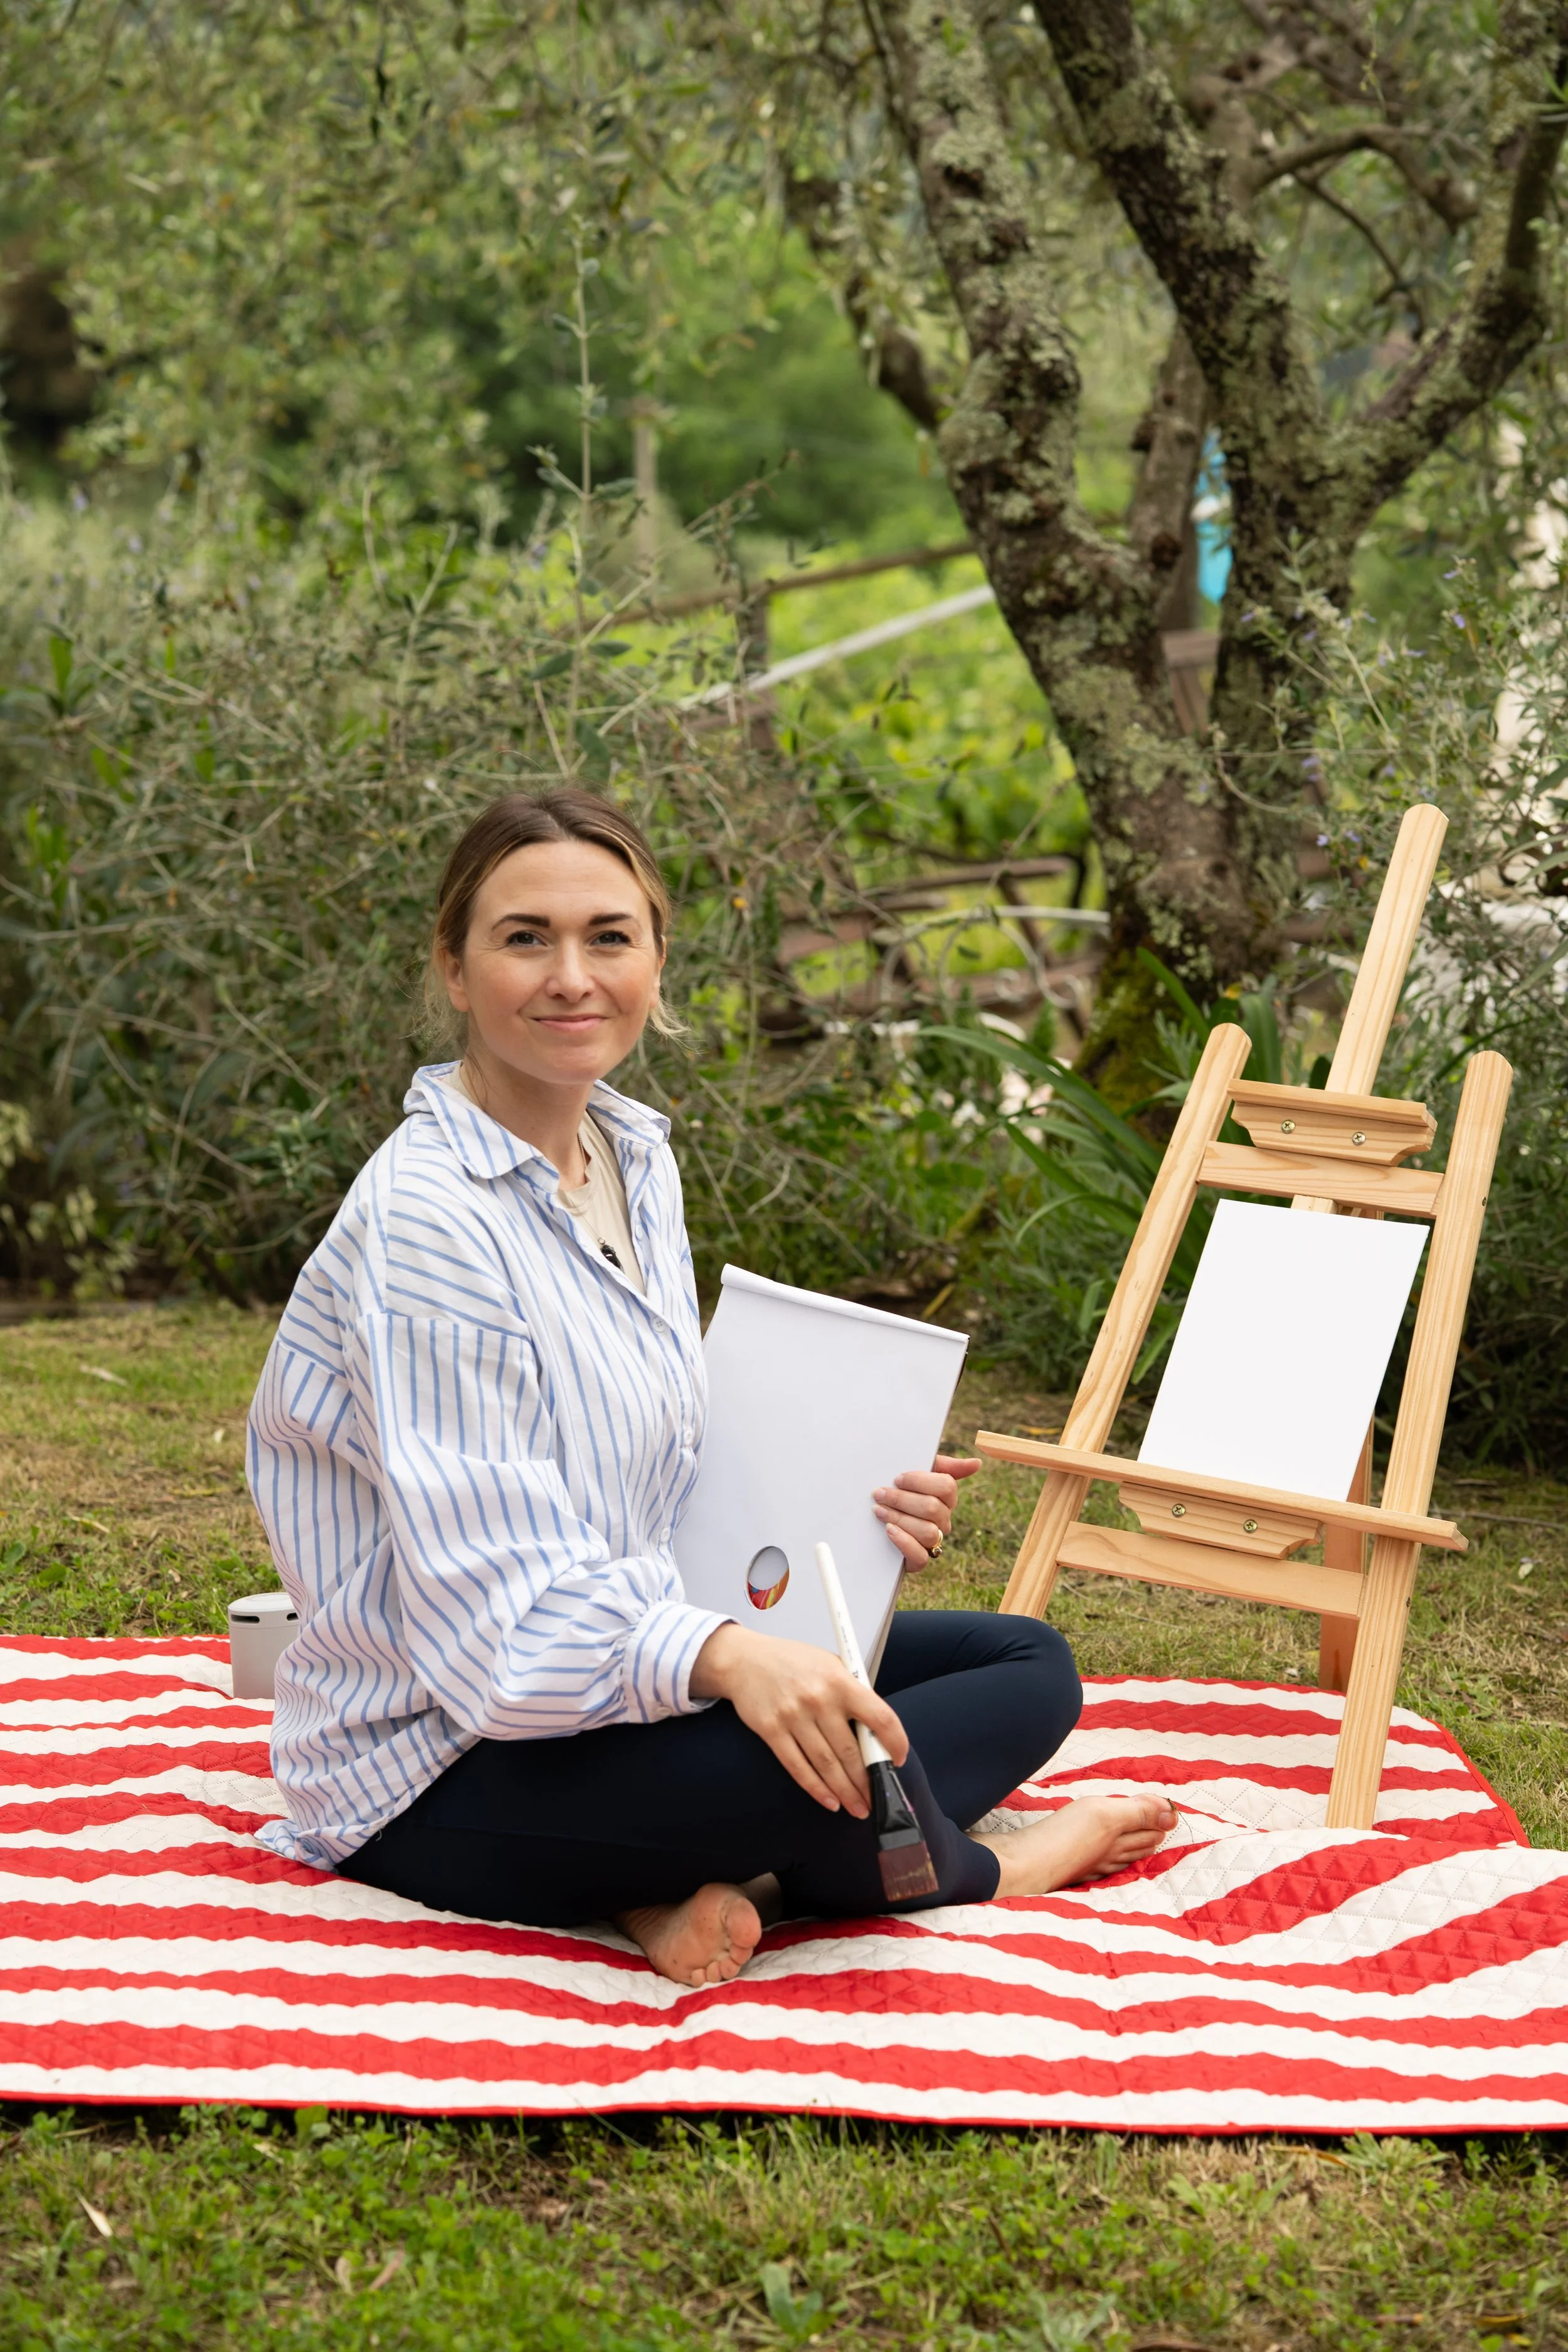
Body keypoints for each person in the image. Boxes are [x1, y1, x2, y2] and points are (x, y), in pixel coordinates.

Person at [247, 789, 1175, 1988]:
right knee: (825, 1765)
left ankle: (695, 1885)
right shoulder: (429, 1222)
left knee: (1024, 1666)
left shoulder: (629, 1154)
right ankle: (994, 1865)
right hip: (440, 1759)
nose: (572, 976)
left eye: (609, 936)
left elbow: (664, 1464)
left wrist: (856, 1508)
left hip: (617, 1688)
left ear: (655, 959)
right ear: (455, 967)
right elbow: (494, 1628)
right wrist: (734, 1658)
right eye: (525, 937)